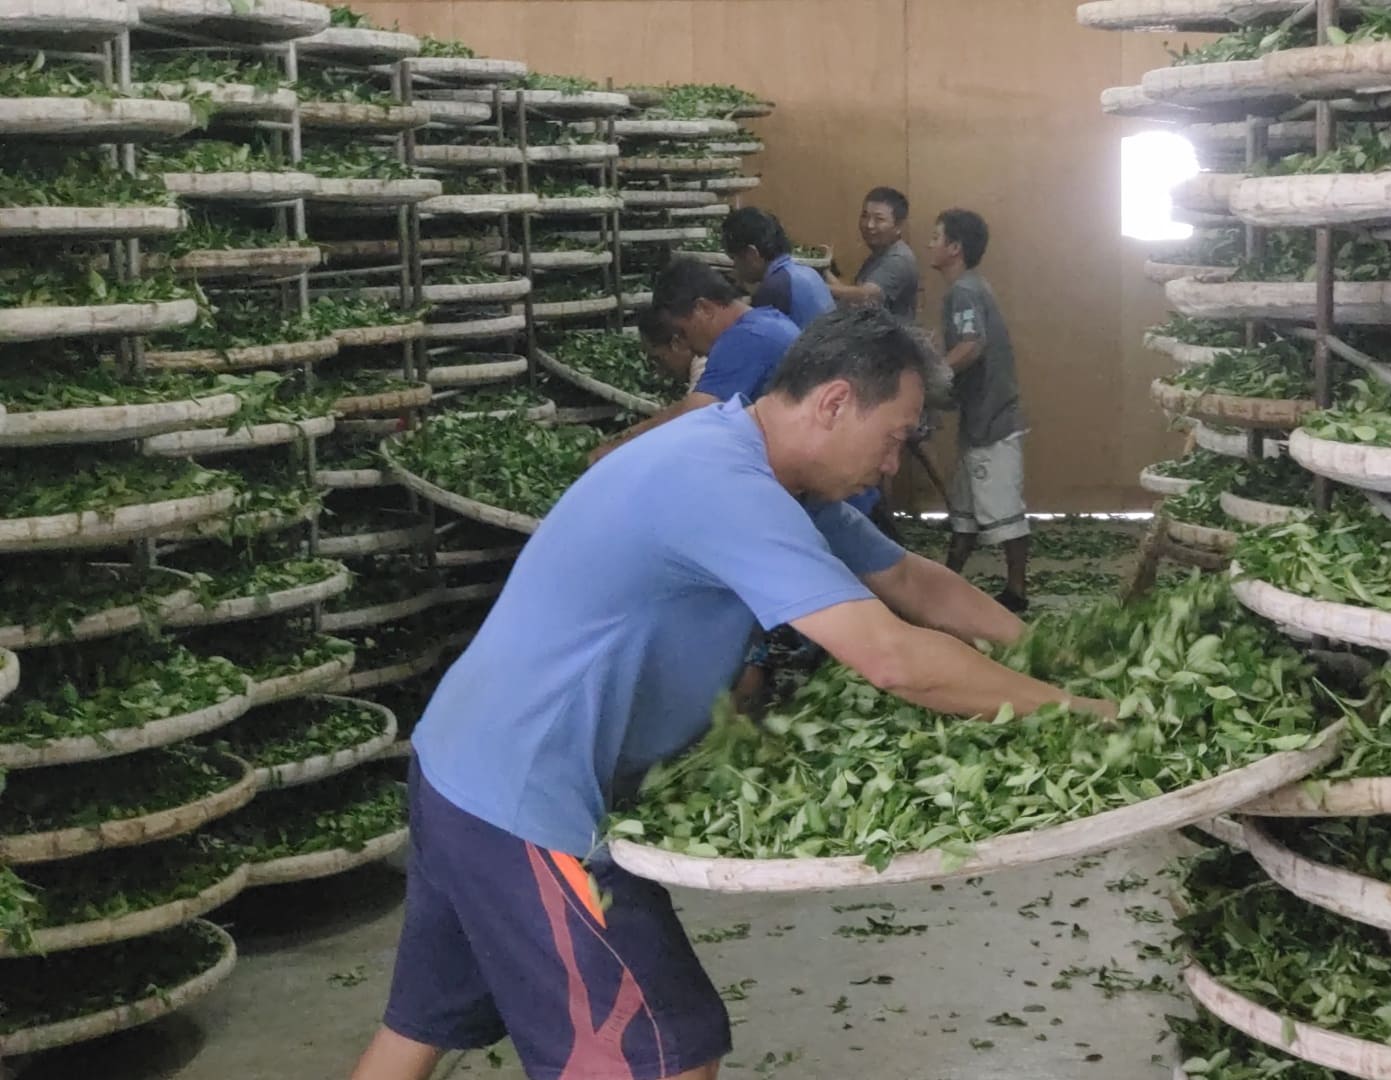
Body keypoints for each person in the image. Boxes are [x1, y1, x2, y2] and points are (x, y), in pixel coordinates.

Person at [350, 308, 1114, 1080]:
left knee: (417, 1032)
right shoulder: (720, 483)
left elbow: (915, 584)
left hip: (458, 768)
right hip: (528, 801)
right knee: (665, 1059)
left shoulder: (774, 478)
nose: (893, 466)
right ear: (834, 402)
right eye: (895, 437)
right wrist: (1084, 715)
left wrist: (1060, 659)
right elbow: (892, 659)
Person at [588, 258, 797, 465]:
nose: (688, 346)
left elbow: (694, 417)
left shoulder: (745, 338)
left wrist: (615, 451)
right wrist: (626, 436)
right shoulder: (766, 321)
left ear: (703, 308)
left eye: (682, 332)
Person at [929, 208, 1031, 613]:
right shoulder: (966, 290)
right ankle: (946, 582)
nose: (929, 243)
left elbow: (972, 344)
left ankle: (1018, 591)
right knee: (965, 512)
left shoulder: (965, 292)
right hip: (977, 423)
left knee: (1004, 512)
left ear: (955, 248)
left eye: (936, 237)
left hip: (994, 423)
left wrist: (933, 373)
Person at [721, 206, 833, 329]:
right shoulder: (808, 272)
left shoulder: (775, 287)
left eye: (734, 258)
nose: (735, 267)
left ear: (751, 254)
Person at [824, 186, 918, 322]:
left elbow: (865, 296)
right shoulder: (878, 254)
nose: (869, 225)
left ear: (898, 227)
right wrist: (823, 269)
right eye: (864, 216)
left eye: (879, 219)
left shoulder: (899, 259)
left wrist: (815, 287)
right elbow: (851, 298)